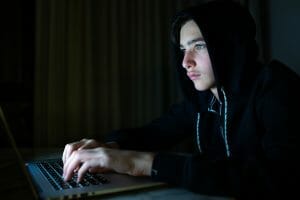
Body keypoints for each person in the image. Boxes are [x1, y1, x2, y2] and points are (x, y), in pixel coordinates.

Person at [62, 0, 300, 199]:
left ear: (229, 47)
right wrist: (108, 146)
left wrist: (143, 163)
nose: (186, 62)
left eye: (199, 46)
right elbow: (154, 133)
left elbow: (278, 177)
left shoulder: (277, 88)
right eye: (183, 49)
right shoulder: (205, 99)